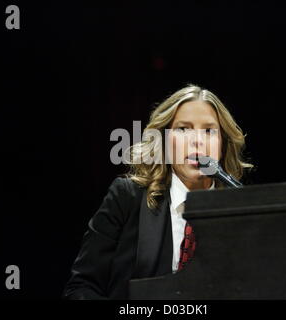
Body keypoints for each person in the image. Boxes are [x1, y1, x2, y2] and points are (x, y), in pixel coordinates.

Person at [62, 84, 252, 299]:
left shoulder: (241, 212)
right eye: (183, 129)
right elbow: (81, 288)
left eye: (209, 130)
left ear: (223, 144)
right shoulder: (127, 197)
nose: (197, 140)